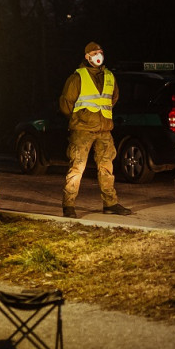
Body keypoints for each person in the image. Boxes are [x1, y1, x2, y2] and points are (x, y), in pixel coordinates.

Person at [58, 42, 133, 218]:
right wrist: (79, 118)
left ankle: (110, 204)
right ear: (87, 56)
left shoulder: (109, 76)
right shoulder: (77, 77)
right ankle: (68, 206)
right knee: (77, 168)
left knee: (107, 168)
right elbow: (65, 103)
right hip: (82, 130)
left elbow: (112, 99)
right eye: (94, 52)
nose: (99, 55)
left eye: (100, 52)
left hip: (104, 130)